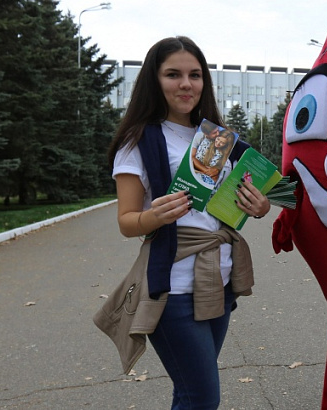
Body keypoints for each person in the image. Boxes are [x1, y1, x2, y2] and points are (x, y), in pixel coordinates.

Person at [104, 36, 271, 409]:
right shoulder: (140, 140)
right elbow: (127, 222)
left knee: (192, 392)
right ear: (154, 79)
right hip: (173, 290)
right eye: (173, 74)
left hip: (220, 280)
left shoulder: (218, 138)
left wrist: (257, 206)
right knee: (201, 397)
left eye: (194, 75)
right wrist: (153, 215)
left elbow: (232, 204)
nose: (186, 84)